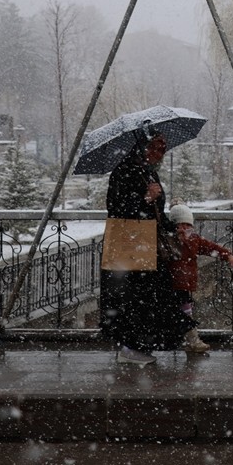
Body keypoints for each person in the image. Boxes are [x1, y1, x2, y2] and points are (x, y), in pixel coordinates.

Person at [102, 132, 191, 364]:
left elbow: (157, 215)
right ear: (141, 147)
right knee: (135, 299)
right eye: (155, 147)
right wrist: (146, 199)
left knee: (151, 298)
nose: (159, 153)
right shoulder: (124, 172)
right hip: (131, 249)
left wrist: (173, 229)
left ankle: (140, 347)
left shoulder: (148, 171)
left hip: (148, 248)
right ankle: (130, 348)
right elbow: (116, 209)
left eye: (163, 149)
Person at [167, 203, 233, 353]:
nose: (184, 229)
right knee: (182, 312)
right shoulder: (168, 239)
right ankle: (192, 340)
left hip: (185, 283)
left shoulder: (194, 239)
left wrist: (227, 255)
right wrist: (180, 239)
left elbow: (210, 247)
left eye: (187, 225)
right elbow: (170, 254)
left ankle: (189, 340)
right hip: (172, 283)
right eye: (180, 225)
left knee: (185, 311)